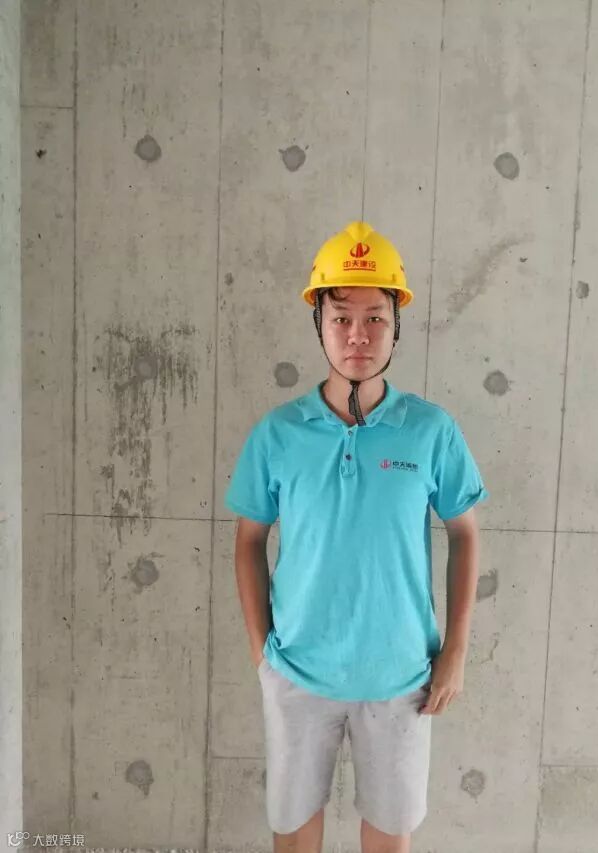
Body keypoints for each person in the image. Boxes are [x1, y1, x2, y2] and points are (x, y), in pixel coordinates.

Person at [224, 221, 489, 853]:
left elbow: (464, 533)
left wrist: (455, 650)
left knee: (390, 838)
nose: (358, 335)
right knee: (293, 834)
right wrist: (264, 655)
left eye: (375, 318)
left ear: (397, 326)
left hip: (402, 677)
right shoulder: (278, 433)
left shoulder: (430, 430)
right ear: (318, 321)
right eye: (341, 318)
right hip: (297, 673)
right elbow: (248, 540)